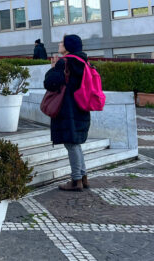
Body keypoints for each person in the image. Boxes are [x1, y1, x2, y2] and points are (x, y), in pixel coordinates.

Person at [44, 34, 91, 192]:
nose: (59, 44)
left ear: (68, 46)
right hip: (81, 106)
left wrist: (52, 69)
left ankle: (76, 180)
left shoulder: (64, 62)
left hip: (67, 109)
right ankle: (83, 177)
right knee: (75, 144)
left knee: (71, 145)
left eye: (62, 42)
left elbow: (50, 84)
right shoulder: (84, 61)